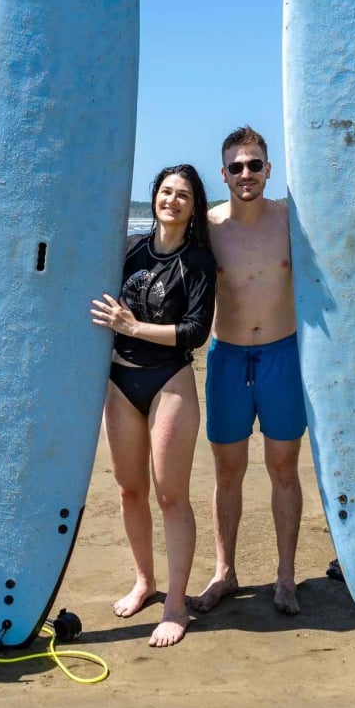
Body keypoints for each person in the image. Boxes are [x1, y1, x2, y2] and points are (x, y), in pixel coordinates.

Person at [90, 164, 216, 647]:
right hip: (121, 381)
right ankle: (145, 580)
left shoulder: (198, 261)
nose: (172, 200)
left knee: (170, 496)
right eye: (166, 191)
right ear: (155, 197)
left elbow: (195, 332)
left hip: (170, 381)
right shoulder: (129, 250)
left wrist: (133, 327)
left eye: (183, 195)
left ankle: (176, 603)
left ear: (193, 206)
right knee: (129, 491)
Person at [191, 125, 308, 617]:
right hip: (228, 358)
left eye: (254, 164)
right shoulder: (208, 226)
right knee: (228, 472)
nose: (245, 173)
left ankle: (286, 576)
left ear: (268, 169)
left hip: (283, 355)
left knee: (284, 468)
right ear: (223, 173)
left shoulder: (291, 222)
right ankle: (225, 571)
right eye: (236, 166)